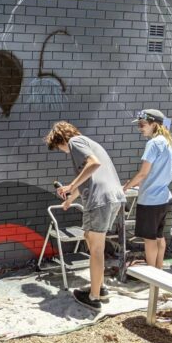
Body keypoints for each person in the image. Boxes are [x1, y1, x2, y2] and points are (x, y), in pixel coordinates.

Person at [45, 121, 125, 311]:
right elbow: (90, 176)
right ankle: (100, 287)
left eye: (59, 147)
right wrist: (70, 199)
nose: (63, 151)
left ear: (61, 139)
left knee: (95, 248)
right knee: (92, 241)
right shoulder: (90, 143)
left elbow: (93, 165)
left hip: (100, 201)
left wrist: (71, 186)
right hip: (113, 198)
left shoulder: (75, 142)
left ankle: (94, 297)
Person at [123, 109, 172, 269]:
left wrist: (126, 187)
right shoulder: (168, 141)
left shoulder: (153, 143)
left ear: (154, 124)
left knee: (149, 239)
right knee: (159, 237)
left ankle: (152, 275)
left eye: (142, 124)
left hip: (150, 199)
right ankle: (158, 270)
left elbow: (143, 173)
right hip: (164, 197)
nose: (140, 128)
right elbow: (156, 171)